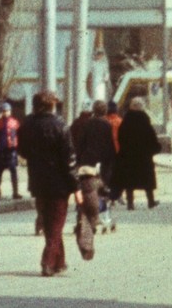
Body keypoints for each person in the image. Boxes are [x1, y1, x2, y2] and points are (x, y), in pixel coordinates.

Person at [17, 91, 78, 277]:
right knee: (56, 224)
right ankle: (48, 262)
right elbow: (69, 159)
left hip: (37, 181)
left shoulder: (26, 125)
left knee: (48, 221)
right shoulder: (60, 125)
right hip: (59, 183)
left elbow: (22, 151)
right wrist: (76, 186)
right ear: (52, 105)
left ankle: (59, 261)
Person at [70, 98, 118, 259]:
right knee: (98, 194)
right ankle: (98, 219)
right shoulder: (106, 125)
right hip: (101, 166)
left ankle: (87, 217)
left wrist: (79, 160)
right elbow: (109, 147)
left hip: (85, 164)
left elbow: (79, 144)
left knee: (87, 194)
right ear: (104, 112)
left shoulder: (86, 124)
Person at [114, 96, 161, 209]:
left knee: (129, 180)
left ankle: (130, 203)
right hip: (144, 156)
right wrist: (155, 148)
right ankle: (151, 201)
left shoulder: (126, 121)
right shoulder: (145, 120)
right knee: (147, 179)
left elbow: (120, 137)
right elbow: (151, 137)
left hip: (128, 155)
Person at [0, 103, 21, 205]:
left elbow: (19, 135)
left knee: (13, 171)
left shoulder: (14, 123)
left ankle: (15, 192)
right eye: (3, 111)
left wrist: (17, 145)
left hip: (11, 150)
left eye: (7, 111)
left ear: (10, 111)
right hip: (1, 150)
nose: (5, 113)